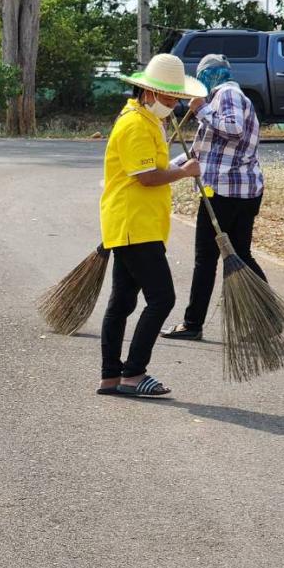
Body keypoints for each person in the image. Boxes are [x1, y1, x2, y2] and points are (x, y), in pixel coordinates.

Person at [97, 53, 204, 398]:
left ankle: (111, 377)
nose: (173, 104)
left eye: (177, 98)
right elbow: (146, 177)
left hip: (137, 224)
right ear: (148, 92)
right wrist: (184, 172)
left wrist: (178, 167)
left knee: (123, 302)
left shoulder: (146, 121)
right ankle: (133, 373)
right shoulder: (135, 125)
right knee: (162, 298)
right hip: (134, 224)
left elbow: (150, 168)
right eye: (169, 97)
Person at [162, 53, 265, 342]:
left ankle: (192, 323)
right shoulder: (224, 99)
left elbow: (232, 130)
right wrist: (166, 169)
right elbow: (202, 152)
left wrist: (200, 110)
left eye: (203, 77)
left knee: (206, 258)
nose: (201, 83)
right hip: (242, 191)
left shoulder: (226, 94)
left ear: (214, 75)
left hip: (226, 192)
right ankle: (266, 315)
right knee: (240, 254)